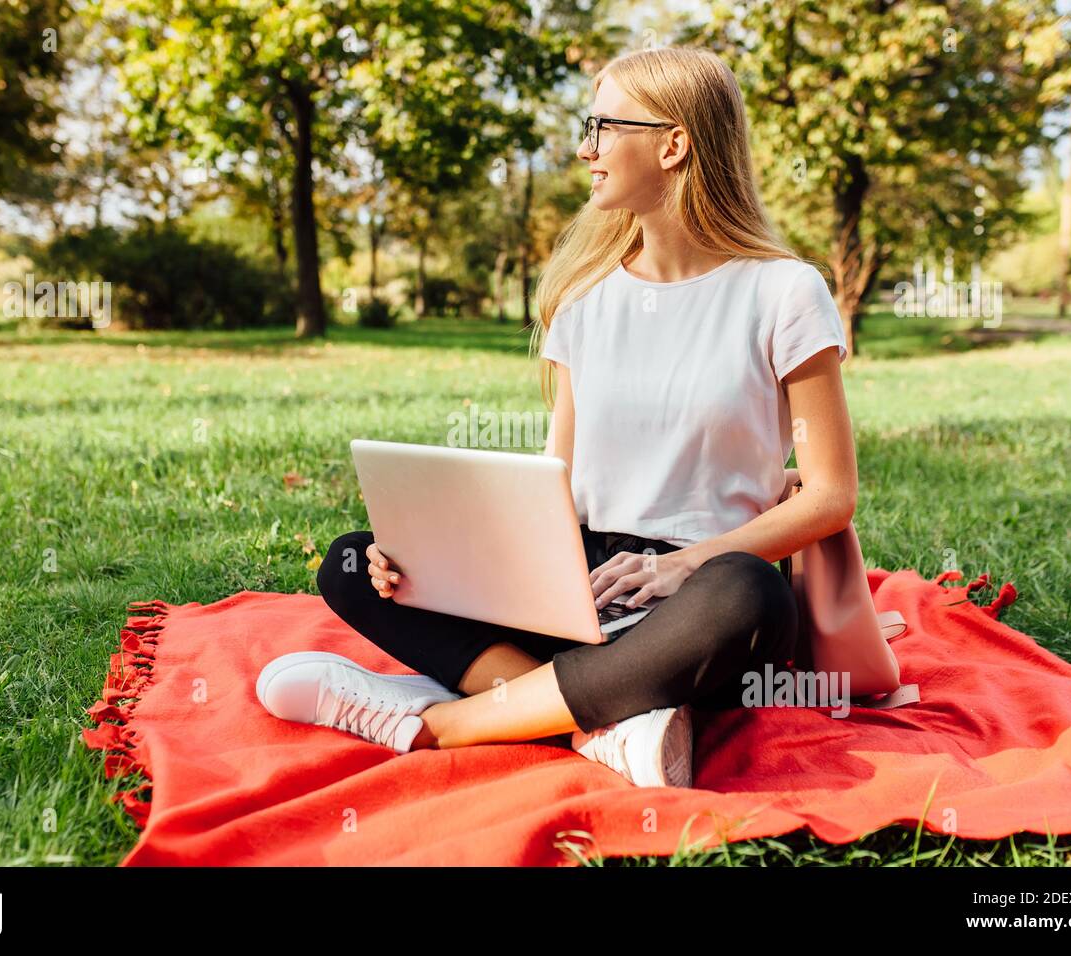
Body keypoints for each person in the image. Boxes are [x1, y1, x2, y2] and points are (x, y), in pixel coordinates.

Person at [255, 45, 858, 789]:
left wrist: (682, 566)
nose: (585, 149)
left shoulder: (784, 293)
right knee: (355, 563)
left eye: (603, 127)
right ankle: (601, 726)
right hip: (579, 585)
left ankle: (441, 724)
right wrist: (444, 556)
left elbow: (832, 495)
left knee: (747, 592)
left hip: (700, 598)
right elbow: (556, 480)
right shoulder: (585, 297)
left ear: (673, 144)